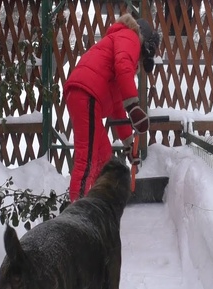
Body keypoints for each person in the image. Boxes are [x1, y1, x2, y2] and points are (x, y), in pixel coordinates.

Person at [64, 13, 160, 202]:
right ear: (144, 42)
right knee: (87, 160)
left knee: (103, 157)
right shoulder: (130, 37)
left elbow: (117, 105)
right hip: (87, 93)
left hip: (85, 95)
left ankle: (96, 205)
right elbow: (123, 65)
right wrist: (134, 107)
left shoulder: (120, 41)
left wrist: (129, 145)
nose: (140, 59)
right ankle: (76, 218)